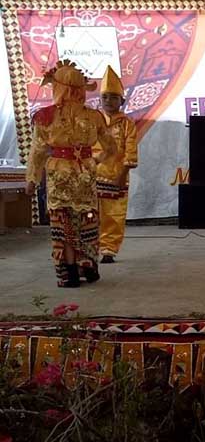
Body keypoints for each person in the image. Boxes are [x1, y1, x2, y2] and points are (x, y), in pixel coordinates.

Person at [25, 60, 116, 287]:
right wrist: (94, 160)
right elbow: (111, 148)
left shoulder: (45, 116)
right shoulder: (94, 116)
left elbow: (37, 151)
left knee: (62, 222)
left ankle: (70, 273)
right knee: (86, 221)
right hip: (85, 173)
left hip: (59, 173)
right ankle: (89, 266)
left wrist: (32, 180)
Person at [94, 66, 138, 263]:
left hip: (116, 176)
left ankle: (109, 250)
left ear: (122, 101)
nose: (108, 101)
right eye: (105, 97)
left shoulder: (127, 123)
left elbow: (130, 150)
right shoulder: (93, 121)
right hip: (92, 175)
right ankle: (90, 248)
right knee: (90, 215)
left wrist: (123, 173)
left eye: (113, 97)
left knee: (114, 215)